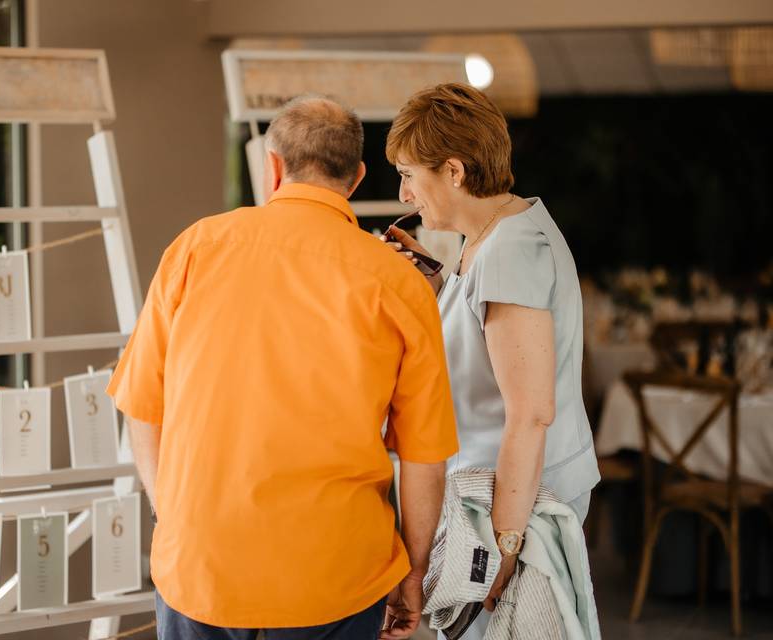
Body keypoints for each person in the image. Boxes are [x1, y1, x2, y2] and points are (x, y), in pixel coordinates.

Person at [107, 95, 459, 640]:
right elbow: (424, 460)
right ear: (357, 177)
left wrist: (174, 519)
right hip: (336, 575)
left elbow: (142, 410)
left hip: (201, 565)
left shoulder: (194, 249)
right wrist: (413, 573)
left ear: (273, 166)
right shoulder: (399, 285)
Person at [381, 83, 600, 636]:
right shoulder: (498, 234)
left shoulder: (508, 250)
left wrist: (507, 542)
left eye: (410, 174)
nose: (405, 195)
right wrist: (434, 282)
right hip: (499, 489)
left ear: (453, 170)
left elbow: (531, 411)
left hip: (514, 500)